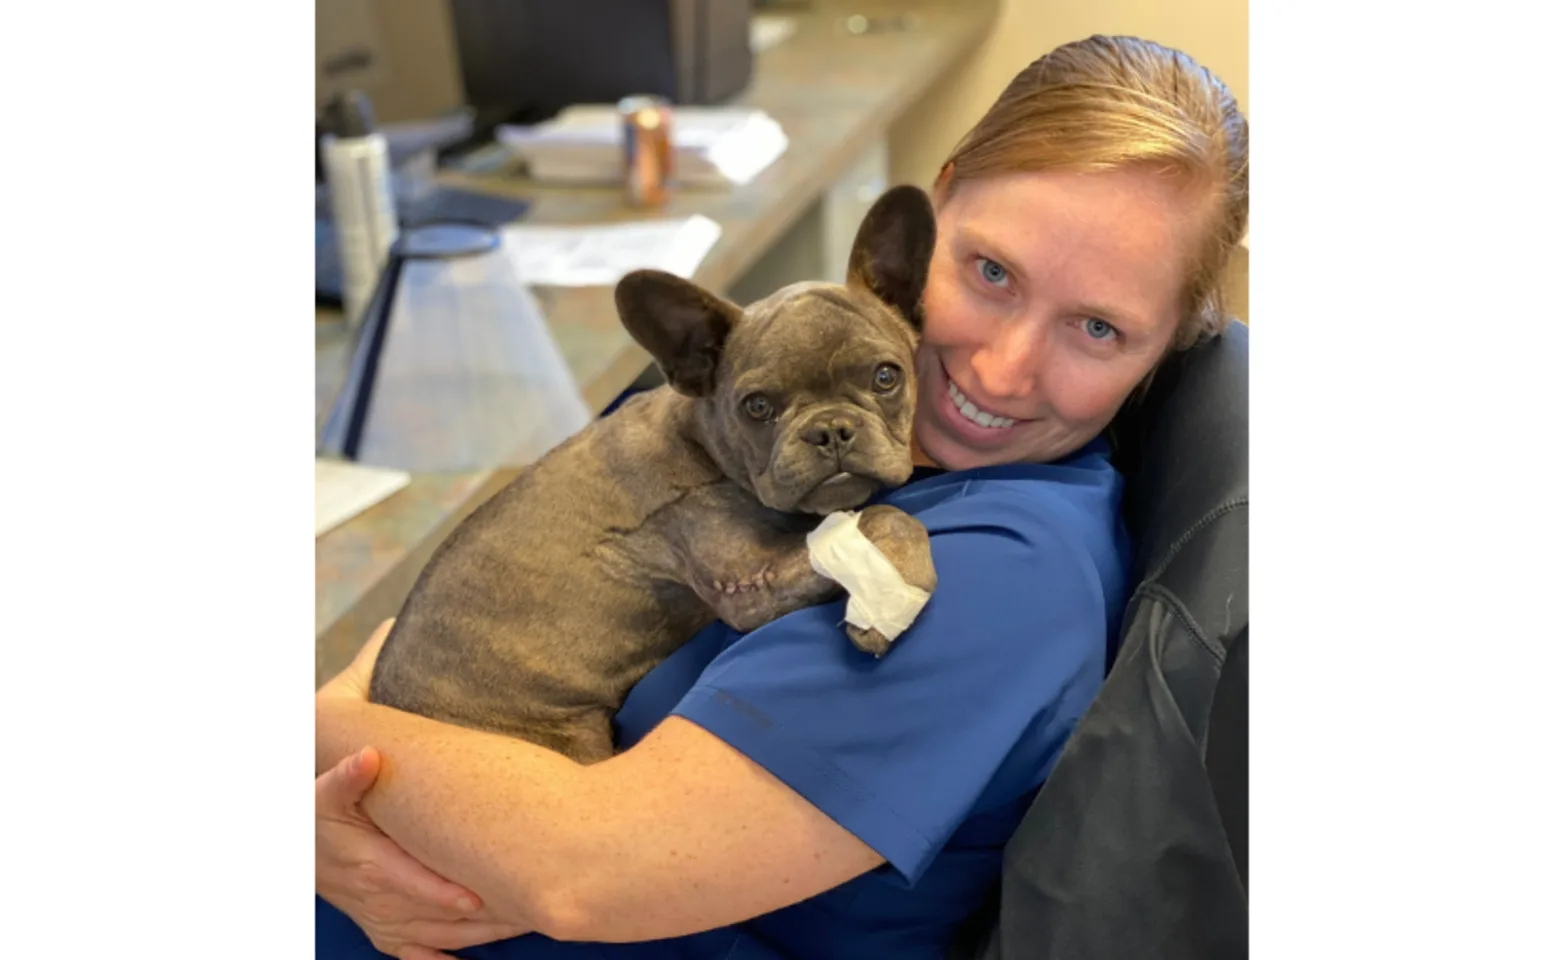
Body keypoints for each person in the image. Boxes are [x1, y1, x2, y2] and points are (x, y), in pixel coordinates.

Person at [315, 34, 1249, 960]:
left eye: (1098, 327)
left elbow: (579, 877)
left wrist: (325, 740)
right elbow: (472, 598)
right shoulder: (780, 382)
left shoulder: (998, 579)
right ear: (933, 216)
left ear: (1172, 342)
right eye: (991, 272)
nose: (1003, 372)